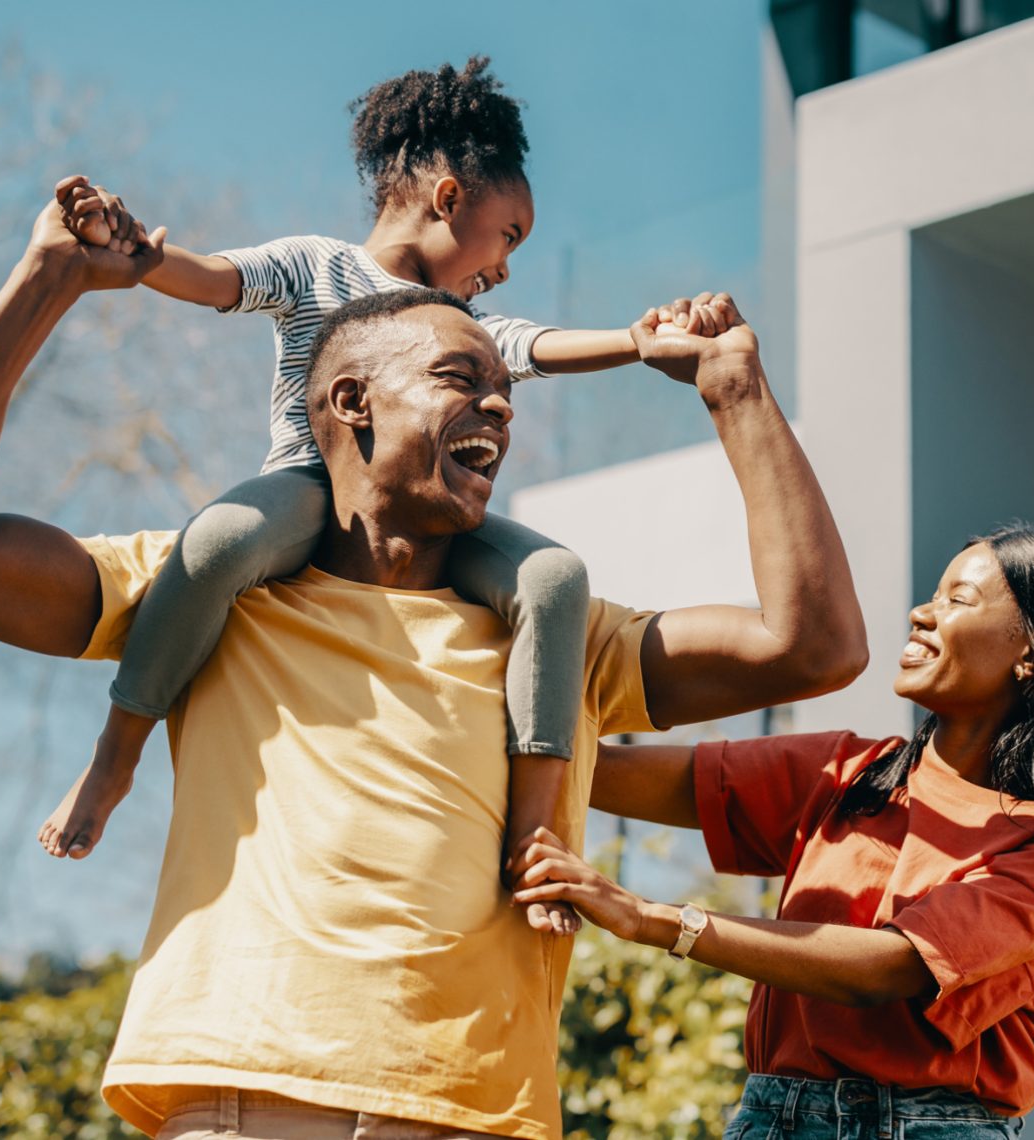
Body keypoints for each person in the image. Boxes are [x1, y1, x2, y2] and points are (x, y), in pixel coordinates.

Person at [0, 200, 867, 1138]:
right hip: (249, 1097)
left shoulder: (563, 638)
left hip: (479, 1115)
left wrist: (736, 392)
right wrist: (43, 282)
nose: (500, 405)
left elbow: (815, 647)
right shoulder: (210, 593)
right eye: (461, 377)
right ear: (352, 404)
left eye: (504, 388)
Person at [37, 60, 644, 930]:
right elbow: (213, 279)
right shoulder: (316, 267)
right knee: (216, 543)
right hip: (309, 492)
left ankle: (536, 837)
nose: (508, 265)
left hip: (423, 513)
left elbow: (532, 344)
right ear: (446, 198)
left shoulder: (457, 324)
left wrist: (634, 338)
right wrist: (136, 253)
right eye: (508, 234)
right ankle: (114, 756)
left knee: (552, 579)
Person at [513, 527, 1034, 1137]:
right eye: (931, 595)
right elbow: (595, 772)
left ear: (1033, 652)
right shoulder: (851, 774)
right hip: (770, 1116)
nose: (922, 613)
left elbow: (892, 966)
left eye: (958, 600)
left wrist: (649, 918)